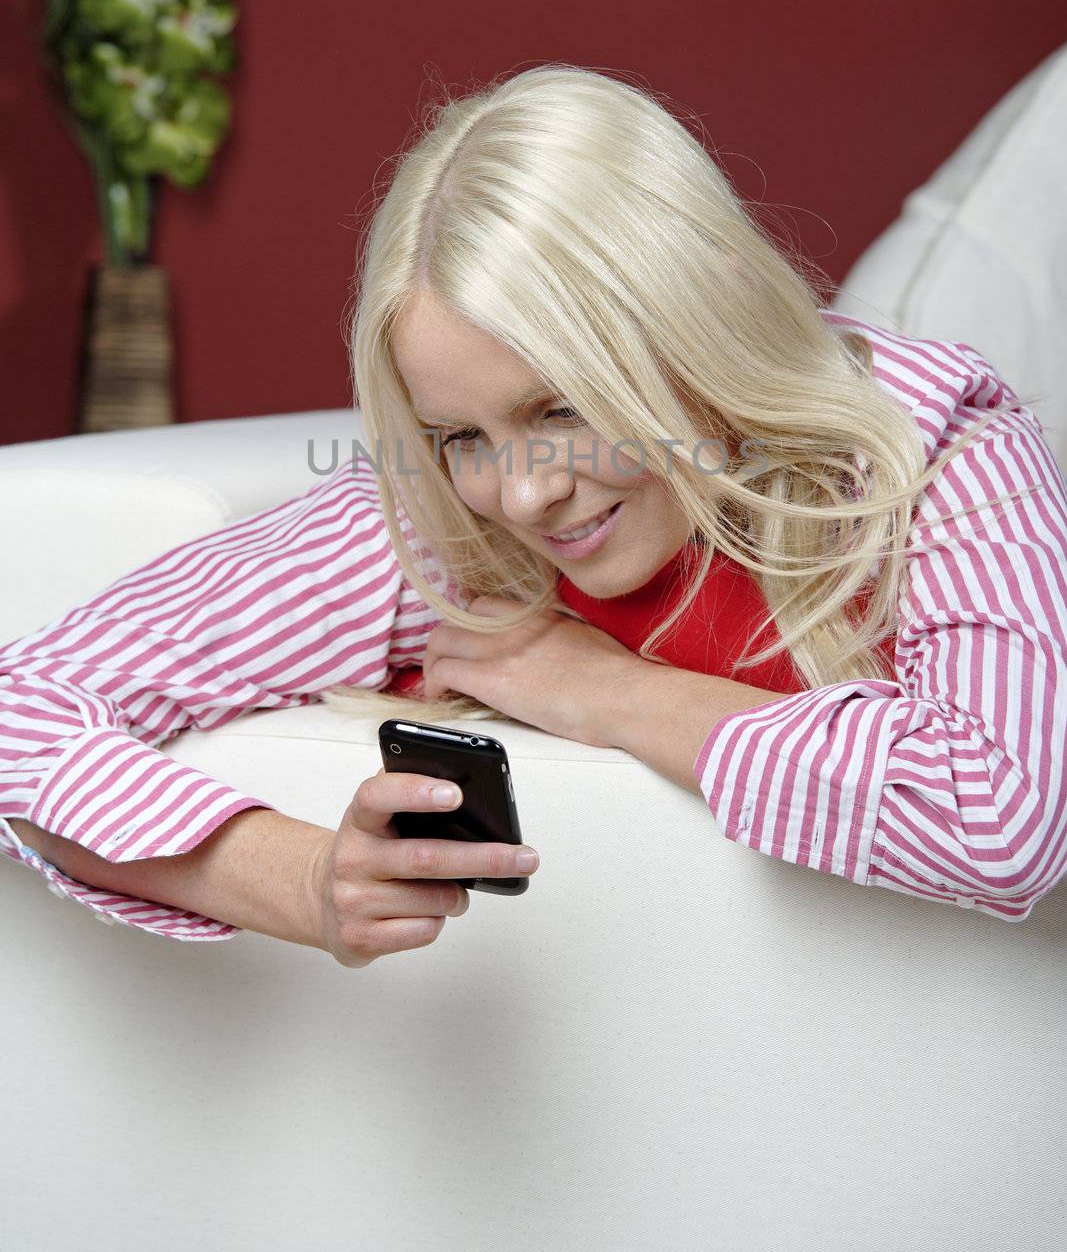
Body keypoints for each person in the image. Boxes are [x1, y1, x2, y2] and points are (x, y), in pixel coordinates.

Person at [3, 63, 1066, 965]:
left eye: (559, 405)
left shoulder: (943, 452)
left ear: (695, 326)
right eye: (462, 435)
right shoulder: (437, 523)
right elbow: (21, 711)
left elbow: (1003, 814)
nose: (521, 493)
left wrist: (602, 688)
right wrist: (303, 881)